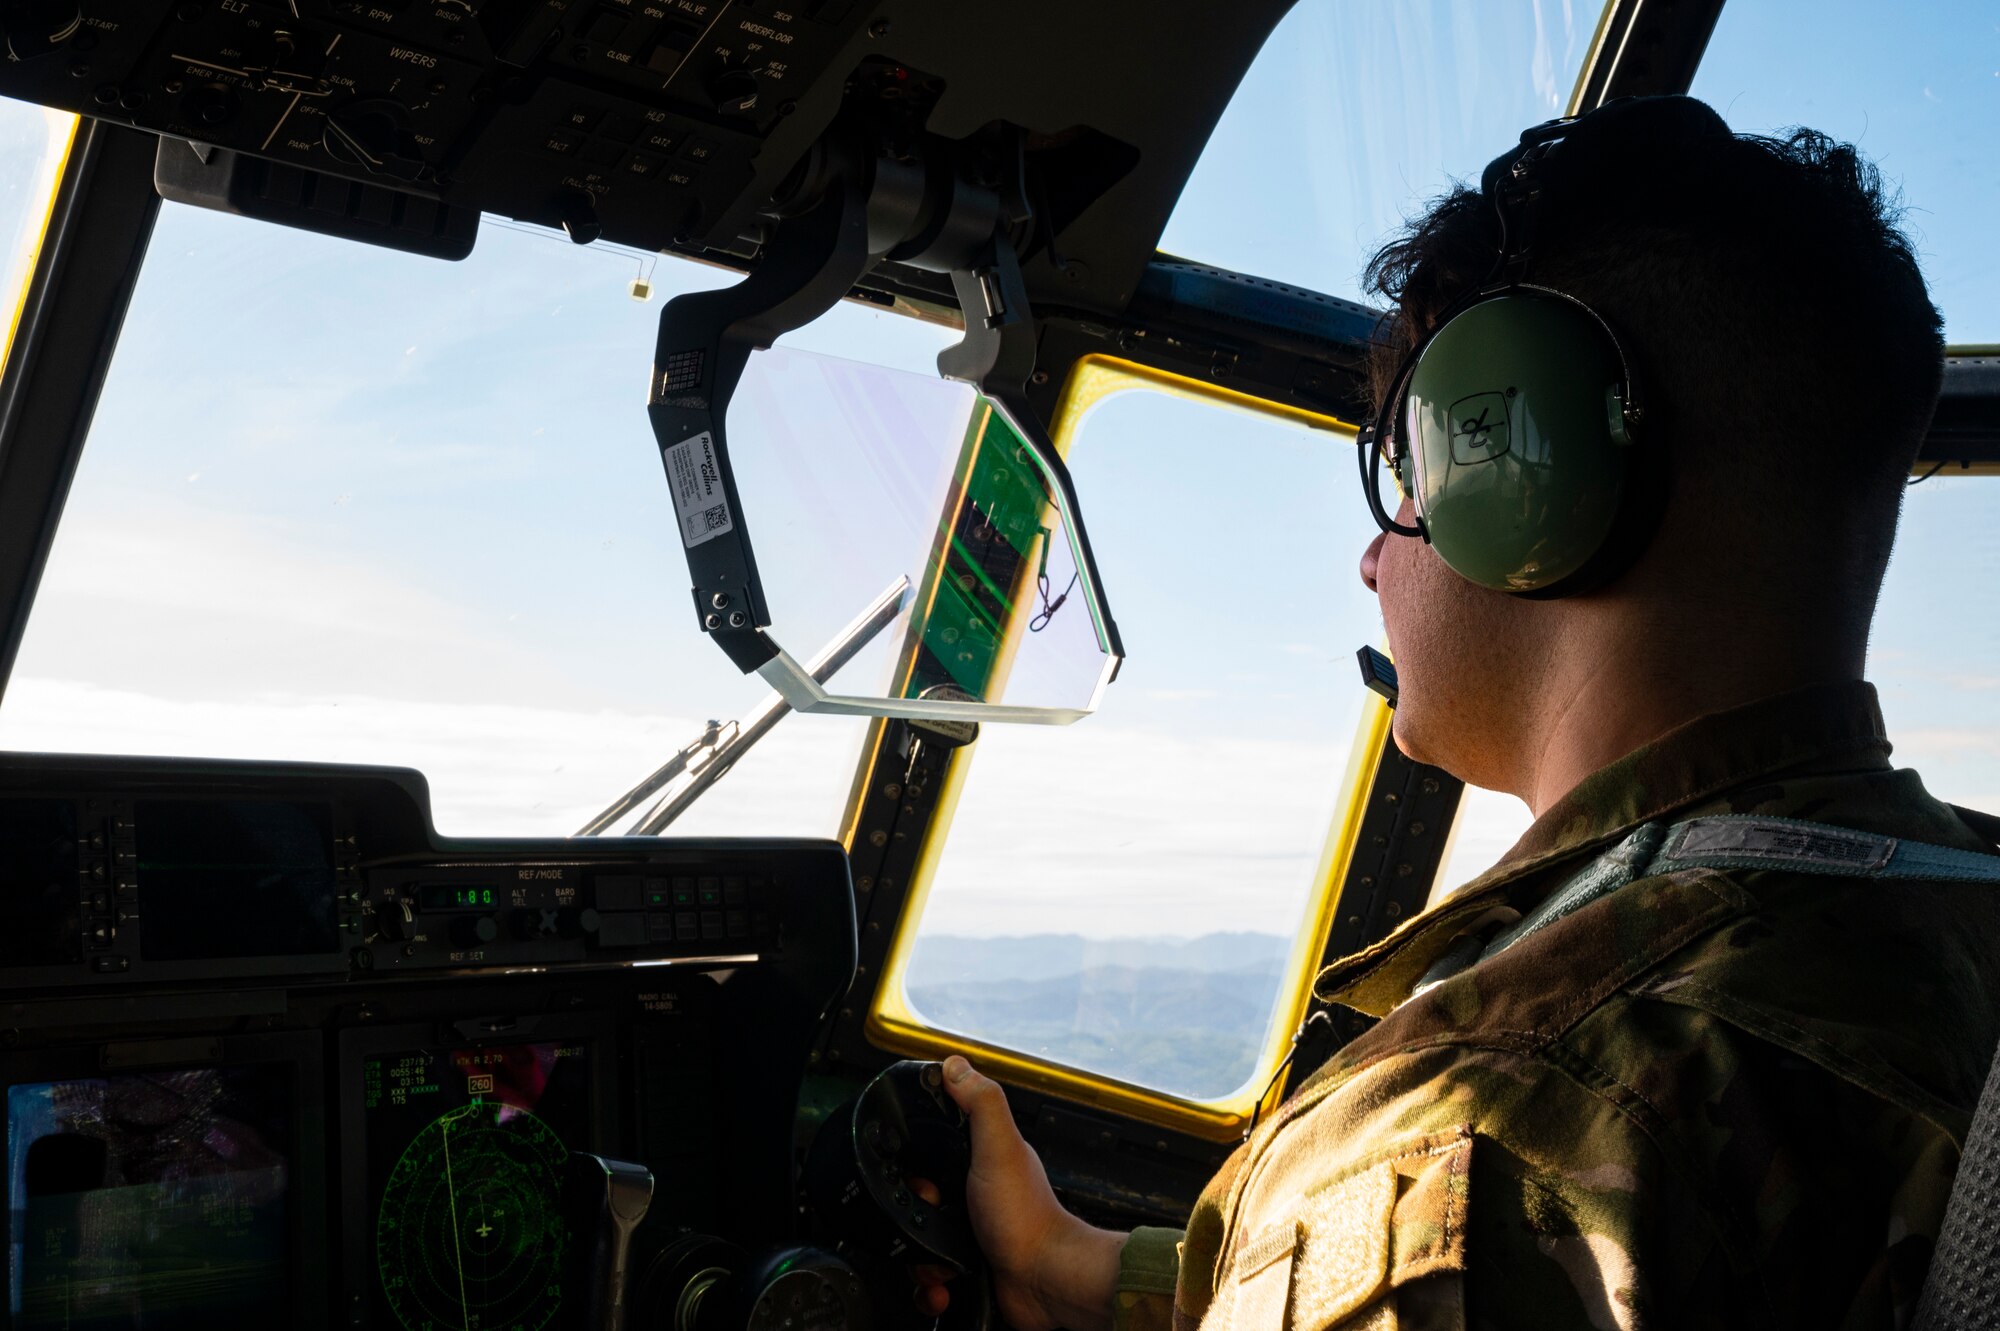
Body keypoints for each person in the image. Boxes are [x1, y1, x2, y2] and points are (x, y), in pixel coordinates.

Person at [917, 96, 2000, 1328]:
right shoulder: (1941, 906)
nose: (1371, 560)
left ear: (1530, 478)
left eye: (1405, 470)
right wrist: (1071, 1267)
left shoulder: (1492, 1118)